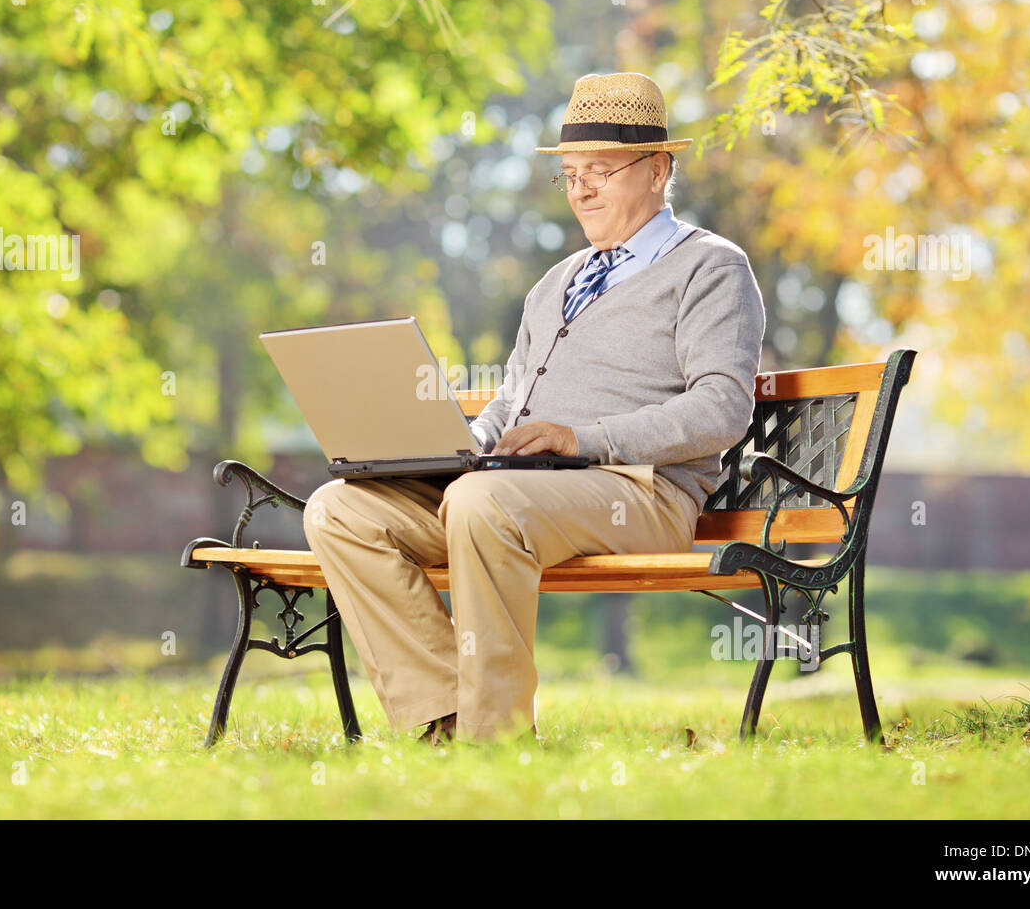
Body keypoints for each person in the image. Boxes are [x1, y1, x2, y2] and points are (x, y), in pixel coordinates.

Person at [303, 72, 766, 746]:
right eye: (570, 174)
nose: (580, 189)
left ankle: (498, 736)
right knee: (340, 510)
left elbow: (722, 408)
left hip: (639, 495)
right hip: (513, 494)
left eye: (600, 171)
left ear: (659, 168)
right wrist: (462, 446)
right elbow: (511, 398)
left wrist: (582, 438)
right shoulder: (558, 281)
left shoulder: (711, 268)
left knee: (483, 505)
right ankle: (446, 717)